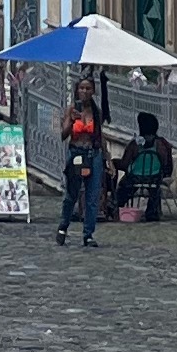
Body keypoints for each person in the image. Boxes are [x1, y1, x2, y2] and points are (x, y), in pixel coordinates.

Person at [56, 75, 110, 248]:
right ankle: (63, 225)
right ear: (77, 90)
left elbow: (101, 136)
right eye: (82, 88)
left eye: (88, 88)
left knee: (93, 196)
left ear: (93, 91)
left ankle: (88, 234)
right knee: (72, 194)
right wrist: (71, 121)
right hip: (76, 153)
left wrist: (107, 158)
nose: (85, 91)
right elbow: (63, 135)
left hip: (93, 154)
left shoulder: (96, 112)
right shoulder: (71, 110)